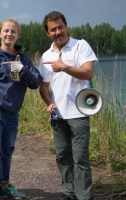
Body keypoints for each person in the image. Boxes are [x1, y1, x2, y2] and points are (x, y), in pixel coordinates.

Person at [0, 18, 43, 200]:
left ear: (18, 35)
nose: (9, 34)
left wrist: (22, 69)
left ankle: (4, 186)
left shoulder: (24, 59)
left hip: (12, 114)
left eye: (13, 31)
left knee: (7, 152)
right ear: (0, 33)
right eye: (6, 31)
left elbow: (36, 82)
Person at [38, 11, 97, 200]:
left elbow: (88, 74)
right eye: (53, 29)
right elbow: (44, 87)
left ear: (66, 26)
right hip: (58, 114)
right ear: (48, 33)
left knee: (80, 158)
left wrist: (64, 67)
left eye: (60, 27)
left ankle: (84, 196)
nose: (58, 32)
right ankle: (69, 193)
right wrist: (49, 102)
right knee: (62, 156)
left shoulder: (80, 46)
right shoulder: (46, 56)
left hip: (79, 112)